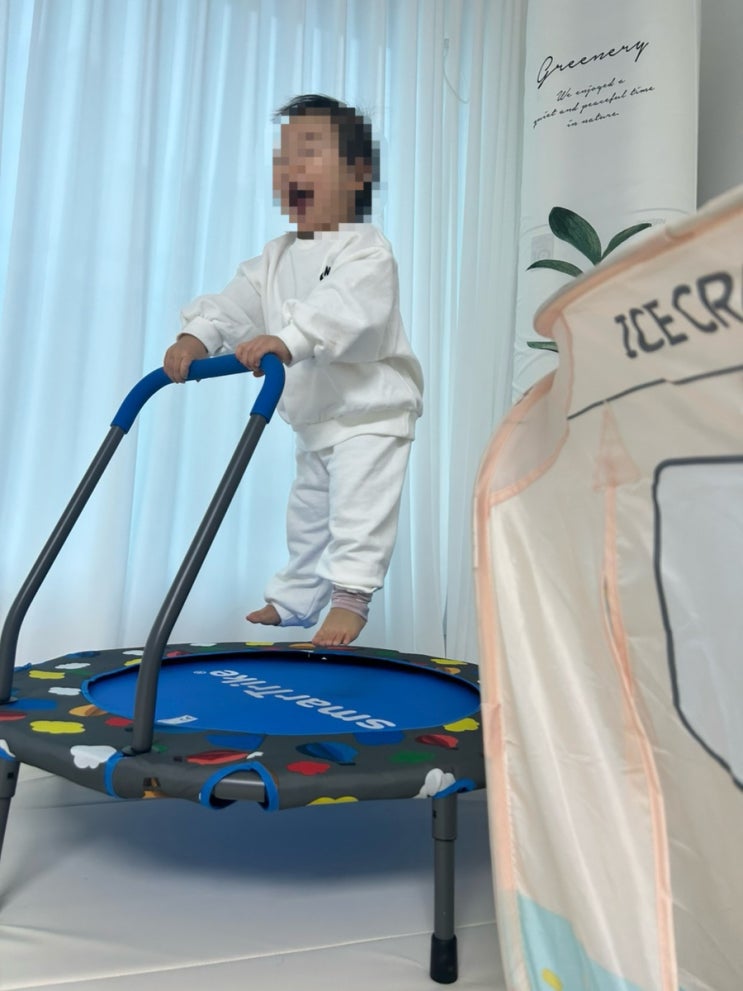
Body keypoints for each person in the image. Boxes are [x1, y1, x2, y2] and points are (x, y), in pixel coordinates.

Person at [163, 94, 423, 647]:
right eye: (282, 158)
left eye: (307, 153)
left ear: (358, 174)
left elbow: (345, 310)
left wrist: (287, 340)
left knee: (357, 511)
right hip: (315, 419)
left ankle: (351, 598)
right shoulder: (276, 256)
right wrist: (197, 336)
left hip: (371, 414)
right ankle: (297, 598)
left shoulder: (365, 251)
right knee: (307, 515)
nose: (289, 168)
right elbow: (234, 303)